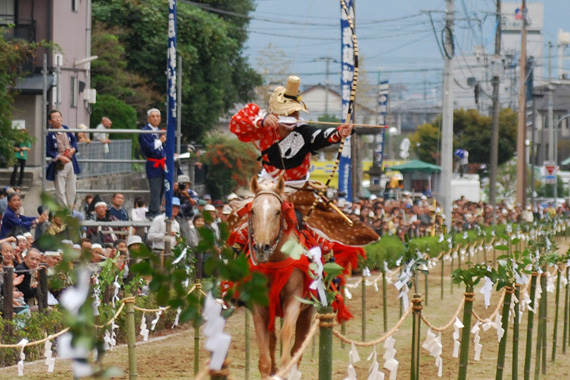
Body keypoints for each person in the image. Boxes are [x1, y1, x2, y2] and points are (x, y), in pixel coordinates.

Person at [46, 110, 81, 208]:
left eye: (59, 117)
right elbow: (48, 150)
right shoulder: (49, 133)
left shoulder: (65, 128)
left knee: (72, 189)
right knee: (60, 190)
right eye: (55, 118)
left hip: (71, 161)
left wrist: (73, 149)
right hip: (60, 163)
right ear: (50, 121)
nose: (58, 119)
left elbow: (74, 139)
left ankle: (69, 211)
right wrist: (59, 157)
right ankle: (63, 210)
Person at [139, 108, 166, 219]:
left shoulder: (160, 131)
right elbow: (149, 149)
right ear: (148, 118)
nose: (155, 118)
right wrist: (160, 141)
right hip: (153, 164)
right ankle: (154, 211)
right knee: (155, 188)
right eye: (153, 116)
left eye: (157, 116)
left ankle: (157, 208)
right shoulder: (145, 132)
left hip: (163, 163)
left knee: (163, 188)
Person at [173, 175, 197, 243]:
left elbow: (194, 203)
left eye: (186, 184)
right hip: (175, 219)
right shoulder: (173, 192)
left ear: (189, 185)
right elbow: (163, 203)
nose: (184, 186)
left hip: (188, 219)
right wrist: (172, 191)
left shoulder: (192, 193)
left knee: (190, 241)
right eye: (182, 184)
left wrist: (187, 196)